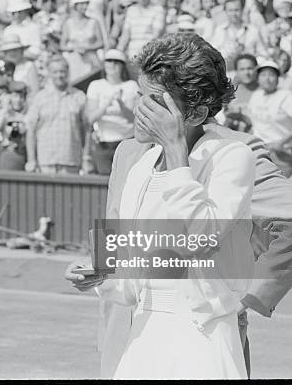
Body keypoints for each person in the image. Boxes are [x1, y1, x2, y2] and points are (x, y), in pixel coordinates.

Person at [67, 33, 256, 379]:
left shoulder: (234, 157)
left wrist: (174, 148)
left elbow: (201, 238)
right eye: (140, 94)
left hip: (204, 340)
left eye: (155, 101)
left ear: (196, 111)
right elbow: (130, 281)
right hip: (143, 339)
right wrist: (100, 276)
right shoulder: (140, 167)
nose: (140, 108)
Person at [246, 58, 292, 177]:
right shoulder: (256, 95)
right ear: (258, 78)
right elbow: (254, 122)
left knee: (281, 192)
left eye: (272, 74)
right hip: (258, 152)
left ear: (278, 78)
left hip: (281, 155)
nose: (267, 78)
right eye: (263, 74)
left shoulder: (286, 96)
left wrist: (281, 142)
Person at [25, 55, 87, 175]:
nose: (59, 75)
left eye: (62, 71)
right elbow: (30, 131)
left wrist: (86, 157)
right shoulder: (40, 98)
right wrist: (31, 160)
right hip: (45, 162)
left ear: (68, 72)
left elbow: (86, 129)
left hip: (71, 161)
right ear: (49, 73)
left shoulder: (79, 97)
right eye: (55, 72)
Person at [84, 49, 137, 175]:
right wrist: (106, 105)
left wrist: (120, 104)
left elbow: (133, 119)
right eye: (109, 61)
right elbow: (90, 118)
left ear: (122, 66)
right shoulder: (95, 85)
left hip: (126, 141)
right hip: (103, 143)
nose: (112, 64)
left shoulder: (131, 85)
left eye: (116, 62)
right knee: (104, 182)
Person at [60, 0, 104, 84]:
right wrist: (74, 48)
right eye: (81, 3)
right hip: (74, 62)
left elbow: (101, 43)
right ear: (75, 5)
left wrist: (87, 48)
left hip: (92, 61)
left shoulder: (94, 22)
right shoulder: (68, 23)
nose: (85, 6)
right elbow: (62, 45)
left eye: (86, 3)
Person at [0, 80, 29, 170]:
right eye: (15, 96)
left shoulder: (28, 114)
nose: (18, 100)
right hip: (7, 153)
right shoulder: (1, 113)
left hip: (23, 155)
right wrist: (4, 110)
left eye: (22, 96)